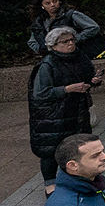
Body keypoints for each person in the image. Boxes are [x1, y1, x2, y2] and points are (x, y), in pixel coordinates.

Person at [28, 26, 99, 190]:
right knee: (50, 151)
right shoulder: (47, 65)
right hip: (52, 116)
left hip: (76, 111)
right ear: (53, 46)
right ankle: (50, 184)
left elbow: (87, 75)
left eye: (72, 40)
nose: (70, 44)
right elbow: (40, 93)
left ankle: (79, 178)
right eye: (64, 41)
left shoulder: (79, 56)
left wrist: (93, 81)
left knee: (78, 146)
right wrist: (67, 89)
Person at [26, 0, 102, 60]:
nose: (52, 5)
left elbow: (93, 27)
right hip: (53, 57)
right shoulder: (39, 21)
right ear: (42, 6)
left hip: (77, 53)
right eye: (47, 3)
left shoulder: (71, 15)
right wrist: (42, 49)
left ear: (60, 1)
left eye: (55, 1)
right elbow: (32, 41)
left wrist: (74, 39)